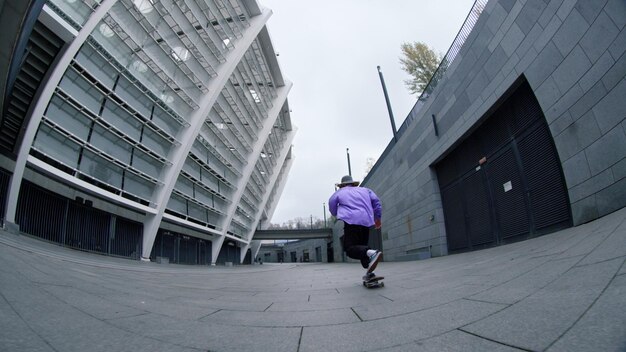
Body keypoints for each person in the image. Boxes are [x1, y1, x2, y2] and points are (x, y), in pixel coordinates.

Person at [328, 175, 382, 278]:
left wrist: (336, 213)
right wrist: (378, 218)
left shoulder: (339, 192)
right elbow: (376, 202)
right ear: (353, 184)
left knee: (350, 249)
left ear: (342, 185)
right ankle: (370, 273)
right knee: (362, 248)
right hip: (366, 222)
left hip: (351, 222)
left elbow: (331, 203)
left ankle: (372, 253)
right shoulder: (366, 190)